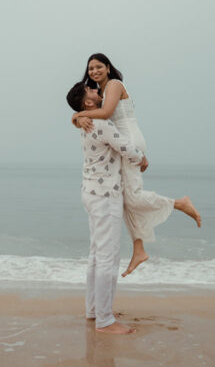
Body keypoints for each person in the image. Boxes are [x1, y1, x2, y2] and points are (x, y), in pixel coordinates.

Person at [67, 53, 202, 278]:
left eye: (99, 66)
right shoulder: (99, 93)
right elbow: (96, 115)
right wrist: (77, 118)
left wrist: (78, 115)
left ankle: (179, 203)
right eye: (90, 68)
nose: (94, 71)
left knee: (133, 196)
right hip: (119, 140)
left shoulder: (114, 85)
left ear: (108, 68)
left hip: (128, 140)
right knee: (126, 197)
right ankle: (139, 249)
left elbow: (107, 113)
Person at [69, 85, 146, 335]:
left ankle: (95, 310)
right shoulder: (99, 124)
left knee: (96, 254)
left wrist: (77, 116)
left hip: (90, 193)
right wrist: (142, 158)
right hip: (105, 197)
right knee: (108, 257)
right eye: (89, 90)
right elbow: (125, 147)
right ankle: (105, 320)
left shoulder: (86, 123)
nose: (94, 89)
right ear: (88, 103)